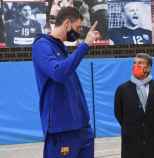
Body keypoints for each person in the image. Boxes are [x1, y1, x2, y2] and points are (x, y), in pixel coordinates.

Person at [32, 7, 99, 158]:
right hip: (61, 129)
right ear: (67, 24)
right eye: (78, 27)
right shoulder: (42, 45)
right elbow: (59, 73)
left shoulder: (61, 48)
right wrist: (85, 45)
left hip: (81, 126)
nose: (79, 32)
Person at [114, 53, 154, 158]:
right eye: (134, 63)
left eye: (140, 63)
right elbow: (118, 113)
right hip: (131, 142)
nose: (136, 65)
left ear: (149, 68)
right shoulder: (122, 89)